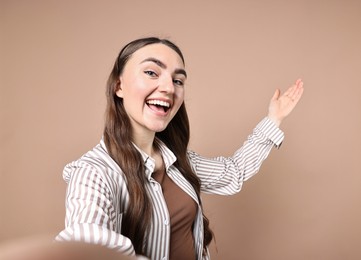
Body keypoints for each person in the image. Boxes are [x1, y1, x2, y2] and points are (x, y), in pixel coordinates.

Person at [55, 37, 304, 260]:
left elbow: (233, 173)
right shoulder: (93, 173)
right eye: (152, 73)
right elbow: (87, 246)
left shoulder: (179, 162)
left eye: (177, 80)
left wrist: (273, 119)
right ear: (118, 86)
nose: (169, 88)